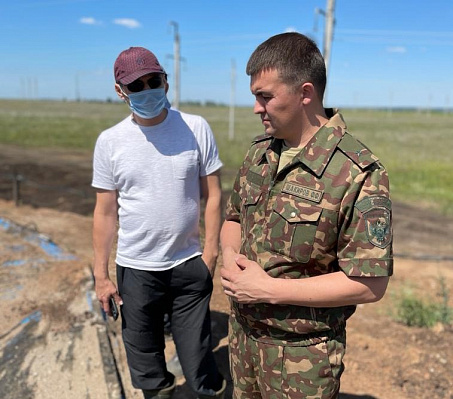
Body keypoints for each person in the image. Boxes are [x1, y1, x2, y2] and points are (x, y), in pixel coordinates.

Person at [220, 32, 393, 399]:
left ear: (305, 93)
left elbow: (369, 284)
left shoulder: (357, 172)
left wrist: (270, 290)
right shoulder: (259, 153)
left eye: (264, 96)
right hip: (243, 340)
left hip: (301, 356)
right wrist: (230, 260)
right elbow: (233, 218)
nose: (256, 107)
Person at [92, 46, 226, 399]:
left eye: (155, 80)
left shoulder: (196, 127)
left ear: (166, 82)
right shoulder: (110, 142)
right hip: (136, 268)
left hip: (188, 265)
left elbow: (213, 194)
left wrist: (210, 254)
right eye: (137, 85)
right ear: (121, 91)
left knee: (199, 358)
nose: (148, 90)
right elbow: (105, 213)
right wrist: (101, 276)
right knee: (144, 356)